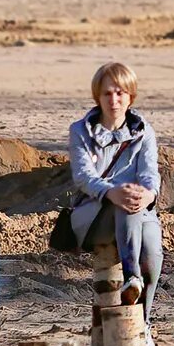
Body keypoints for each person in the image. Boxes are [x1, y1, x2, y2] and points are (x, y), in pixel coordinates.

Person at [68, 61, 162, 320]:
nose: (114, 99)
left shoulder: (144, 132)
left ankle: (141, 323)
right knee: (125, 200)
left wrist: (149, 194)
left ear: (130, 96)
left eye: (120, 92)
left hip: (138, 210)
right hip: (92, 213)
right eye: (107, 93)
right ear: (97, 96)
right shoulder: (79, 131)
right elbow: (83, 177)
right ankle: (131, 277)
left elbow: (149, 173)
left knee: (153, 257)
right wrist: (112, 192)